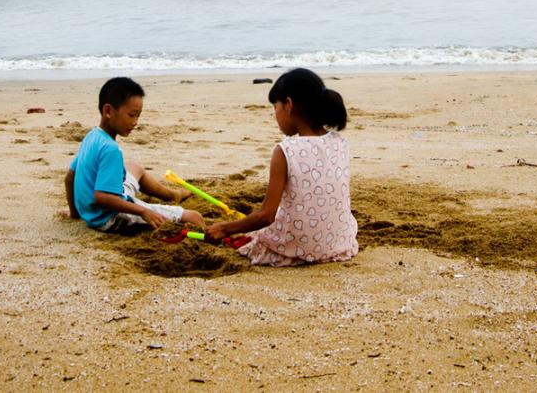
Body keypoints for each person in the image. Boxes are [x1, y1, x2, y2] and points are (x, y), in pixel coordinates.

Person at [207, 68, 358, 266]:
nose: (275, 116)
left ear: (289, 104)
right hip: (338, 244)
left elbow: (266, 216)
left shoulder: (285, 150)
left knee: (254, 237)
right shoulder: (340, 142)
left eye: (275, 108)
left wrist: (224, 229)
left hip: (297, 248)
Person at [65, 77, 203, 233]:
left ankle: (173, 195)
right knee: (194, 217)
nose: (136, 122)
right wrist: (142, 211)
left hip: (92, 212)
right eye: (131, 115)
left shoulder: (91, 136)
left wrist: (75, 213)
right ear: (108, 111)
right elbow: (102, 197)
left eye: (138, 115)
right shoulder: (111, 150)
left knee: (133, 167)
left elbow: (70, 178)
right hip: (111, 217)